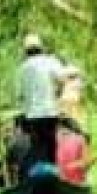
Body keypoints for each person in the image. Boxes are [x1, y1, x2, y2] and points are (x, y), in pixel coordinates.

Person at [15, 34, 69, 170]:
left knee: (37, 145)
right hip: (50, 112)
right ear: (41, 48)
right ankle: (52, 172)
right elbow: (63, 78)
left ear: (26, 51)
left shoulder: (22, 68)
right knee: (51, 144)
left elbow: (19, 95)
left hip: (32, 115)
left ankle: (41, 173)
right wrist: (59, 92)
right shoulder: (51, 61)